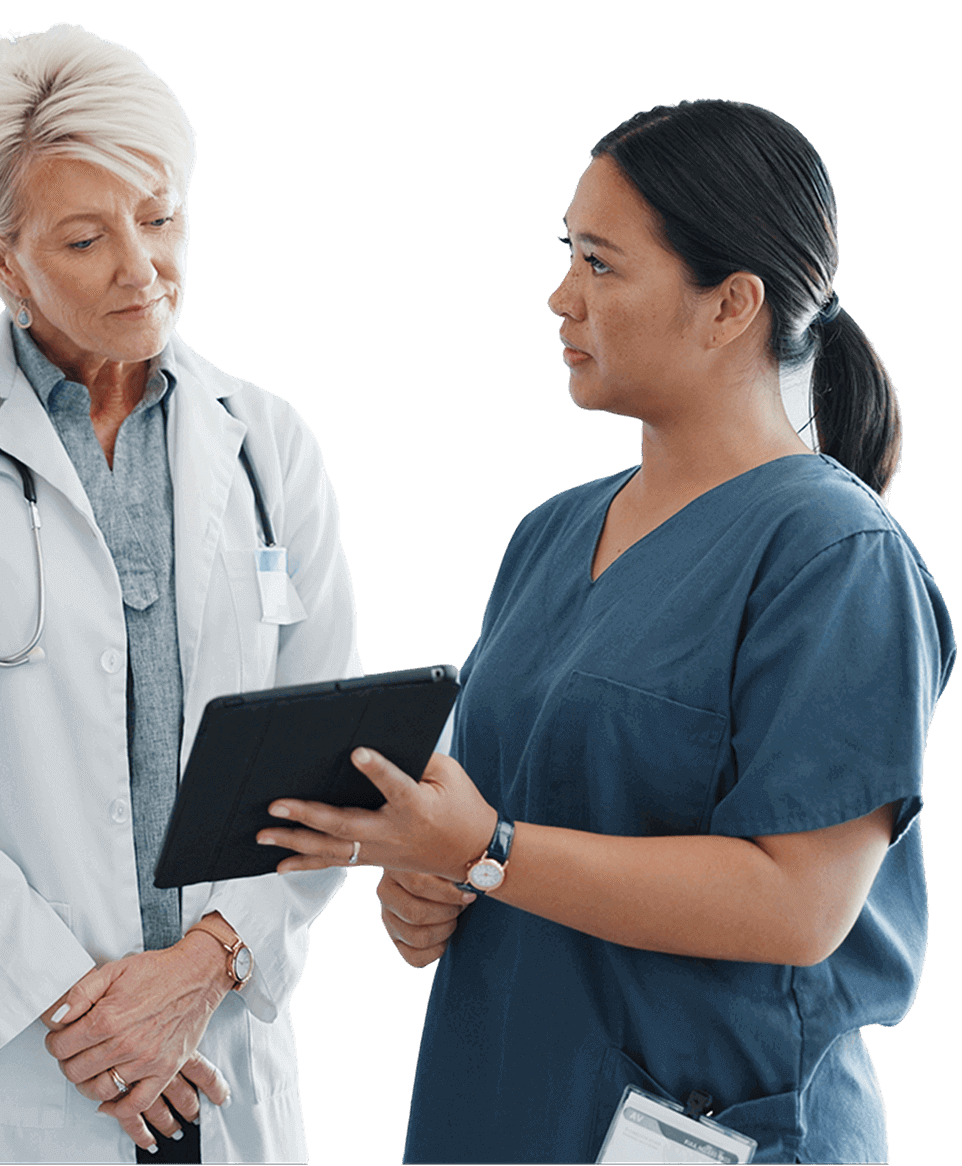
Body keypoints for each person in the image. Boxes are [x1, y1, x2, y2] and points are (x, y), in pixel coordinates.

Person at [256, 99, 952, 1163]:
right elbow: (508, 817)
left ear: (729, 307)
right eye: (566, 257)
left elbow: (799, 905)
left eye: (601, 264)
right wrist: (426, 883)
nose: (560, 296)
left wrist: (488, 851)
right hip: (497, 1102)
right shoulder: (553, 532)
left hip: (713, 1123)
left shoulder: (835, 555)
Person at [0, 23, 363, 1163]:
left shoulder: (268, 440)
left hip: (220, 1051)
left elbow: (334, 747)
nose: (142, 267)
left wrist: (211, 959)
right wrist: (83, 1011)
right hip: (14, 1061)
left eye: (160, 217)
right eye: (84, 237)